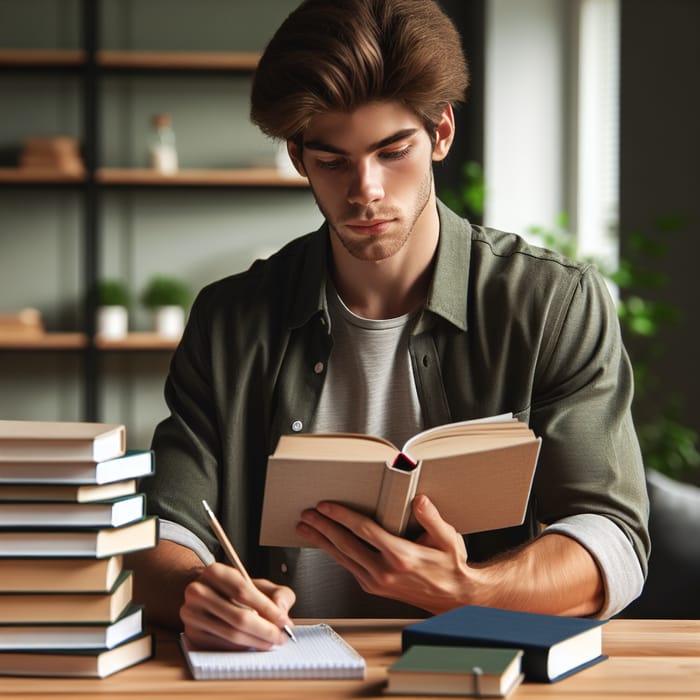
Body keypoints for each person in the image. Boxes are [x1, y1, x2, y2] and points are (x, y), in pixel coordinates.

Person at [127, 0, 650, 652]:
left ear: (441, 134)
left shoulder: (552, 304)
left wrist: (474, 592)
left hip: (481, 679)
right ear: (297, 157)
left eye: (391, 150)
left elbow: (612, 539)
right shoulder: (229, 320)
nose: (365, 190)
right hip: (274, 679)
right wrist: (196, 594)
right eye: (332, 160)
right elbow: (158, 534)